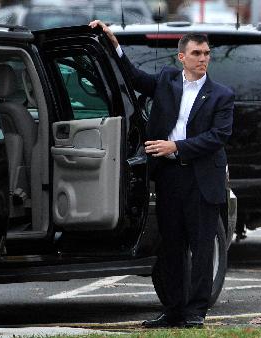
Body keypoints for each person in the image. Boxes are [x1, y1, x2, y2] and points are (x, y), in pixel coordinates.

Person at [89, 20, 234, 328]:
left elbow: (218, 136)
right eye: (196, 53)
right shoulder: (168, 80)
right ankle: (174, 309)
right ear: (181, 57)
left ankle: (196, 311)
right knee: (171, 246)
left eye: (207, 53)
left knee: (202, 247)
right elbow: (133, 78)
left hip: (201, 179)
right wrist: (113, 45)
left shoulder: (222, 94)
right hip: (168, 177)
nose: (203, 59)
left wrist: (175, 146)